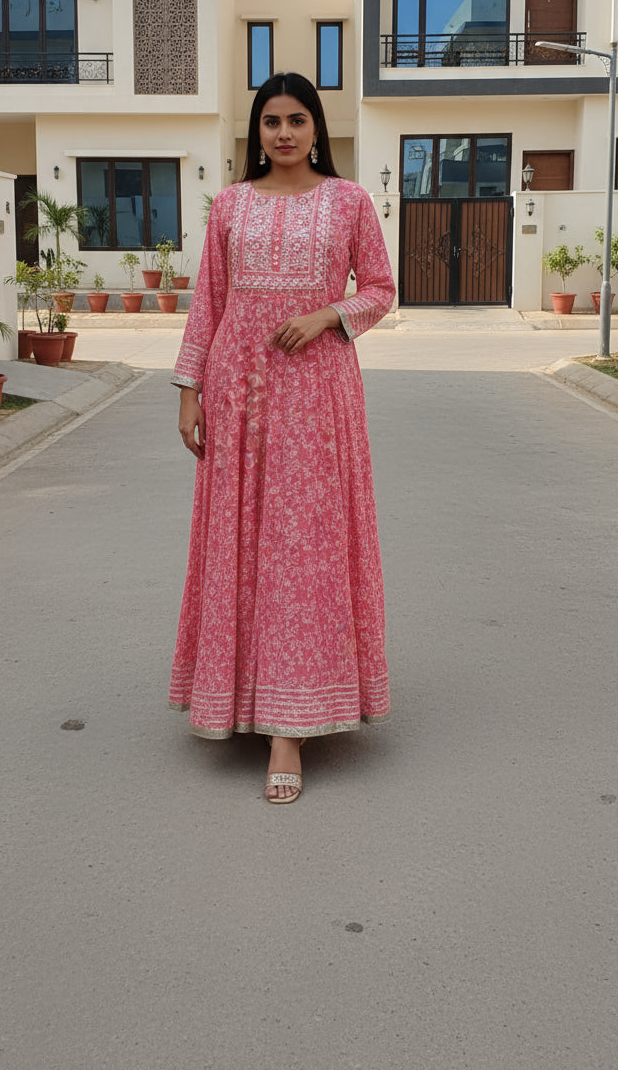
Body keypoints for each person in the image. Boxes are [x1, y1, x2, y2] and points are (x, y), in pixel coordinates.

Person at [169, 71, 396, 804]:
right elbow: (209, 301)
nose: (285, 133)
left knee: (305, 547)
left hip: (317, 393)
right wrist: (189, 390)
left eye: (298, 119)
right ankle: (235, 695)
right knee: (239, 540)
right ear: (257, 132)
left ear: (317, 127)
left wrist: (329, 315)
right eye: (272, 121)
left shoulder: (349, 200)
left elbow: (381, 288)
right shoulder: (231, 204)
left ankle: (289, 728)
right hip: (239, 392)